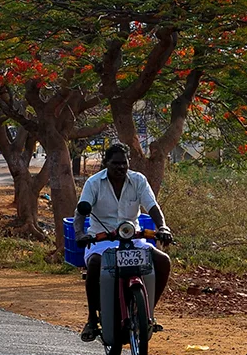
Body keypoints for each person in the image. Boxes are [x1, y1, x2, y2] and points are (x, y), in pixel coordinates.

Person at [72, 142, 173, 342]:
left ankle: (147, 313)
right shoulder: (93, 183)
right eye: (115, 163)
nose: (120, 168)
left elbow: (152, 206)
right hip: (101, 240)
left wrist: (163, 227)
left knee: (163, 261)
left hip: (132, 239)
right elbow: (80, 213)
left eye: (124, 164)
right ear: (106, 163)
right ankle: (92, 319)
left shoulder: (138, 180)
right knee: (94, 265)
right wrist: (80, 234)